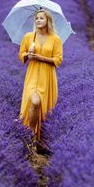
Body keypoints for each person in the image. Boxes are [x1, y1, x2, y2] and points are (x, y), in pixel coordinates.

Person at [18, 8, 63, 154]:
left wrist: (41, 58)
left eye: (41, 18)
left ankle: (39, 142)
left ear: (48, 21)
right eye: (36, 18)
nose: (38, 20)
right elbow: (21, 55)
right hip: (32, 75)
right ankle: (31, 135)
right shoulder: (29, 37)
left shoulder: (55, 39)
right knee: (35, 102)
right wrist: (28, 55)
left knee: (44, 109)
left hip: (47, 77)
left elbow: (58, 59)